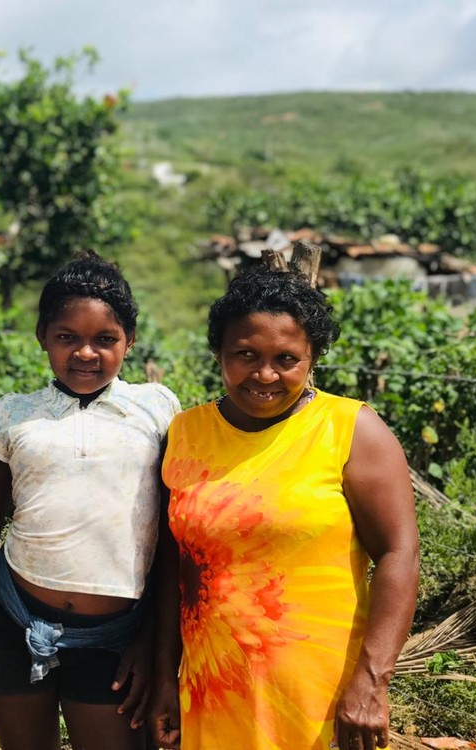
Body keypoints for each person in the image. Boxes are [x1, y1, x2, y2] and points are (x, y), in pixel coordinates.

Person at [149, 265, 420, 750]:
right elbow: (175, 565)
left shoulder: (351, 430)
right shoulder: (186, 434)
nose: (265, 375)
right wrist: (165, 674)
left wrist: (373, 680)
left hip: (320, 698)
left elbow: (400, 554)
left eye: (286, 359)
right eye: (246, 355)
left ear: (313, 357)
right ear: (218, 354)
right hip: (212, 690)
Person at [0, 251, 180, 750]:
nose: (85, 353)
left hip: (116, 636)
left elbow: (172, 541)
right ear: (42, 337)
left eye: (105, 340)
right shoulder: (12, 417)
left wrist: (152, 644)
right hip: (11, 619)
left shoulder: (156, 412)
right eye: (67, 337)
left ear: (129, 342)